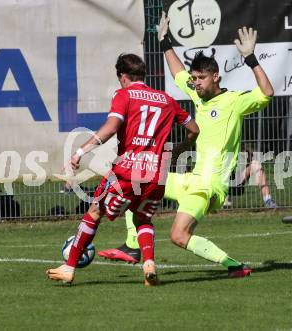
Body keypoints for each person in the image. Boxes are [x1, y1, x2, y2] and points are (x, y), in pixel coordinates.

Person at [98, 13, 274, 278]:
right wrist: (165, 41)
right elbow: (178, 72)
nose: (196, 83)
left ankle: (234, 266)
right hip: (190, 179)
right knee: (138, 181)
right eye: (195, 78)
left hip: (209, 186)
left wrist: (250, 59)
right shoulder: (197, 93)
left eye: (201, 78)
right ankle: (133, 247)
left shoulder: (234, 103)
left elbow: (267, 93)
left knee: (178, 236)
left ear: (215, 76)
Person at [46, 53, 199, 286]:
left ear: (122, 76)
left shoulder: (124, 94)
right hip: (156, 173)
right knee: (143, 217)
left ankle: (69, 267)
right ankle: (149, 265)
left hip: (128, 170)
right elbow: (194, 129)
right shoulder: (165, 99)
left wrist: (79, 152)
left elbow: (111, 127)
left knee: (94, 212)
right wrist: (180, 149)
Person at [223, 144, 277, 208]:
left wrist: (246, 157)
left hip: (237, 182)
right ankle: (222, 199)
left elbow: (251, 158)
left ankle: (268, 200)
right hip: (222, 181)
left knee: (256, 164)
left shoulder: (242, 151)